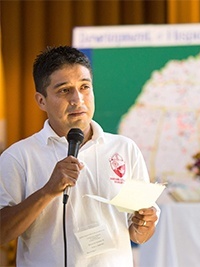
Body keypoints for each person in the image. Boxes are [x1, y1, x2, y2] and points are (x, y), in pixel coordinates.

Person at [0, 46, 159, 266]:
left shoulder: (124, 148)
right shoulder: (18, 156)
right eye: (64, 90)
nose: (78, 99)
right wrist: (47, 191)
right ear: (41, 101)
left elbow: (138, 234)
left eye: (84, 87)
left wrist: (144, 224)